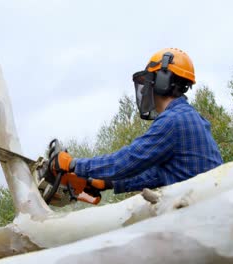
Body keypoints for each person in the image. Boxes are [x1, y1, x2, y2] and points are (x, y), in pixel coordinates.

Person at [51, 48, 223, 194]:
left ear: (163, 80)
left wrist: (74, 164)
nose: (146, 88)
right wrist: (108, 183)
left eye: (150, 80)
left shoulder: (173, 121)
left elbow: (128, 160)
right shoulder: (193, 118)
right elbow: (158, 174)